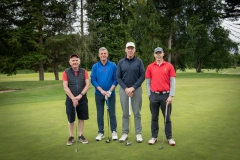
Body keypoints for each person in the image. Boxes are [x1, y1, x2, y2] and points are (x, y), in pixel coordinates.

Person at [145, 47, 176, 146]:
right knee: (154, 118)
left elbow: (173, 82)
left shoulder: (169, 66)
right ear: (154, 55)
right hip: (154, 95)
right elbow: (147, 83)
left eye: (160, 53)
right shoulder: (150, 67)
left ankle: (169, 137)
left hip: (166, 96)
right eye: (156, 53)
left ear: (163, 54)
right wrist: (150, 95)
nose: (158, 55)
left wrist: (171, 95)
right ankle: (154, 137)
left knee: (167, 117)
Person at [117, 42, 145, 143]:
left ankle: (138, 133)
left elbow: (142, 76)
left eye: (132, 48)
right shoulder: (121, 62)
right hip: (124, 90)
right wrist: (126, 88)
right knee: (125, 113)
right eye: (128, 48)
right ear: (125, 50)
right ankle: (125, 133)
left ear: (134, 50)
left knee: (137, 112)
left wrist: (133, 88)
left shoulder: (139, 61)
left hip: (136, 90)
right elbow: (118, 77)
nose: (130, 50)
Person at [91, 47, 118, 141]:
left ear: (107, 54)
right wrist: (101, 90)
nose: (103, 55)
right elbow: (93, 80)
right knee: (100, 113)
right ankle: (100, 132)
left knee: (112, 113)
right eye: (101, 54)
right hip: (99, 94)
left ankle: (114, 131)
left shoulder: (113, 65)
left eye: (104, 53)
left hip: (111, 94)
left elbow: (116, 79)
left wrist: (110, 90)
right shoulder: (95, 66)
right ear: (99, 55)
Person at [62, 54, 90, 145]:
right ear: (70, 62)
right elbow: (65, 87)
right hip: (70, 99)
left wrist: (80, 96)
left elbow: (87, 85)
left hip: (82, 98)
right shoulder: (66, 72)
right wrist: (73, 98)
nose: (75, 62)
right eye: (73, 60)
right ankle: (71, 136)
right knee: (71, 119)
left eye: (76, 60)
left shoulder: (84, 71)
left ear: (79, 61)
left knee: (81, 118)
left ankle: (81, 135)